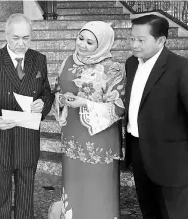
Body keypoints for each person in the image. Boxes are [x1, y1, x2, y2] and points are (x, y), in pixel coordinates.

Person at [125, 14, 188, 219]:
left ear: (161, 40)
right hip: (139, 150)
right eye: (131, 38)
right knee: (149, 210)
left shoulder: (184, 69)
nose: (134, 44)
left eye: (141, 40)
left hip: (173, 159)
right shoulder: (132, 64)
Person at [0, 13, 53, 218]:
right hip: (1, 138)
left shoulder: (39, 60)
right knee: (0, 195)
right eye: (16, 38)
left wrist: (43, 104)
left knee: (26, 195)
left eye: (25, 38)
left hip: (27, 138)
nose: (21, 43)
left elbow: (46, 92)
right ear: (6, 35)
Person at [49, 21, 125, 219]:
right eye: (80, 38)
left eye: (89, 42)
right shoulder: (67, 61)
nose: (81, 45)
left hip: (99, 141)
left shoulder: (112, 68)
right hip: (72, 137)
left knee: (97, 190)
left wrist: (85, 103)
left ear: (102, 45)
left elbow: (118, 107)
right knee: (74, 186)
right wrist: (60, 99)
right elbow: (57, 90)